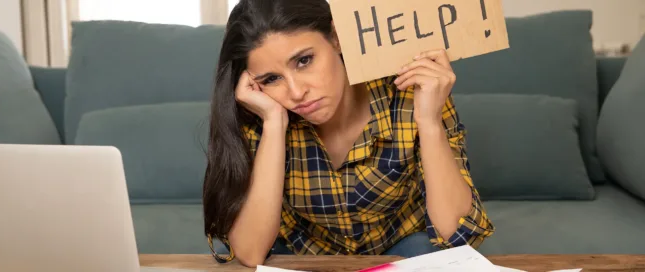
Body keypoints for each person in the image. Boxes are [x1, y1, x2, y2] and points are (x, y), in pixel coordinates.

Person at [202, 0, 495, 267]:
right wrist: (274, 123)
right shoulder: (262, 112)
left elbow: (460, 237)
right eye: (272, 78)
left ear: (336, 39)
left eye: (304, 61)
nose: (296, 92)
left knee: (428, 250)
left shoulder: (412, 93)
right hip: (308, 258)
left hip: (403, 252)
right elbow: (250, 252)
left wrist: (429, 121)